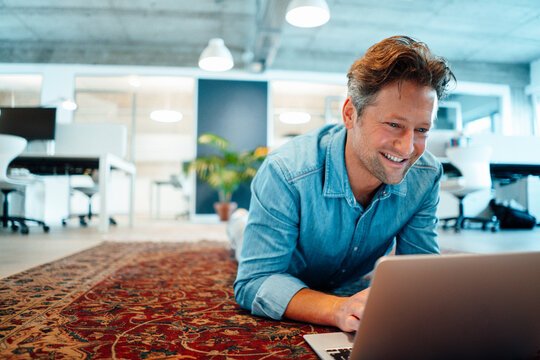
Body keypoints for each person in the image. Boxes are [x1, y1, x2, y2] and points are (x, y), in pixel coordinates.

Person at [233, 35, 455, 332]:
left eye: (422, 129)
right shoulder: (285, 172)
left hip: (346, 274)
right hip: (287, 264)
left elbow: (419, 268)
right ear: (351, 114)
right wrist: (337, 307)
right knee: (239, 235)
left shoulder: (425, 174)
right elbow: (255, 280)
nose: (406, 148)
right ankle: (238, 222)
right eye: (393, 125)